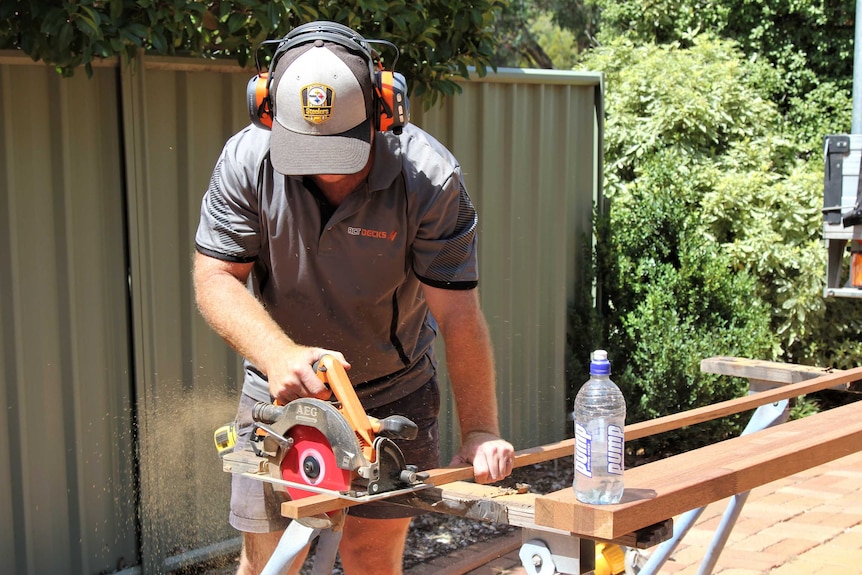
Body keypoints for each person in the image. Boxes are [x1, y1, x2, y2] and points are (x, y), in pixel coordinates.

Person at [192, 20, 515, 575]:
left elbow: (458, 314)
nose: (327, 169)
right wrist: (278, 355)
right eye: (307, 151)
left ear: (385, 110)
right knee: (270, 560)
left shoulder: (429, 180)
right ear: (268, 112)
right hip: (281, 395)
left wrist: (481, 428)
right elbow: (214, 277)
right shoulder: (247, 162)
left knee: (370, 555)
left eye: (343, 151)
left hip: (395, 394)